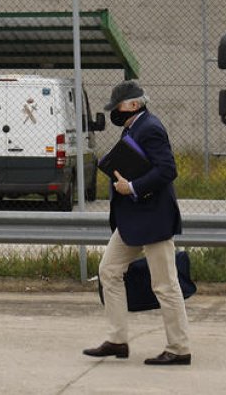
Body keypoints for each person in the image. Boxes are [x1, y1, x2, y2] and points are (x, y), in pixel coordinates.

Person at [83, 79, 192, 366]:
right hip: (134, 220)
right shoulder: (134, 127)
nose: (113, 112)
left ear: (133, 104)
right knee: (109, 271)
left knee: (165, 285)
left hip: (153, 219)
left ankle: (179, 348)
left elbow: (167, 170)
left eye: (116, 106)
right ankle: (117, 340)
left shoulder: (150, 128)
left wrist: (131, 187)